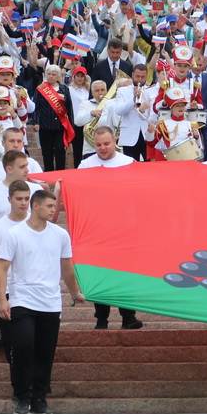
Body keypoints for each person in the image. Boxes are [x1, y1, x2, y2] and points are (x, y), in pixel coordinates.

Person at [0, 189, 84, 414]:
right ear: (36, 206)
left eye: (55, 206)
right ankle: (22, 396)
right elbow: (2, 266)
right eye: (50, 206)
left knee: (45, 353)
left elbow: (67, 267)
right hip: (22, 299)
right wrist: (3, 299)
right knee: (24, 346)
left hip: (50, 302)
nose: (54, 210)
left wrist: (75, 293)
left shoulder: (60, 235)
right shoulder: (14, 234)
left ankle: (39, 399)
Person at [77, 127, 141, 329]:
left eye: (106, 143)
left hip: (125, 228)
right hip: (96, 229)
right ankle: (101, 318)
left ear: (115, 141)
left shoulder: (129, 163)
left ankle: (128, 316)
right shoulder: (86, 165)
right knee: (100, 274)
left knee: (126, 274)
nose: (103, 148)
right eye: (98, 145)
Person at [0, 179, 32, 353]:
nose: (23, 203)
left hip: (31, 288)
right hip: (6, 289)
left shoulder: (36, 223)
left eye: (26, 199)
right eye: (19, 199)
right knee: (13, 342)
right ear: (9, 199)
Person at [33, 65, 75, 172]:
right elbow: (36, 107)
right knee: (47, 152)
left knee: (60, 151)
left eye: (54, 74)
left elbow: (69, 107)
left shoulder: (64, 89)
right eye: (49, 74)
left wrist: (71, 124)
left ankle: (60, 173)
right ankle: (49, 173)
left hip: (60, 126)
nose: (51, 76)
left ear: (58, 76)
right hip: (45, 125)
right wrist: (36, 122)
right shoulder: (40, 89)